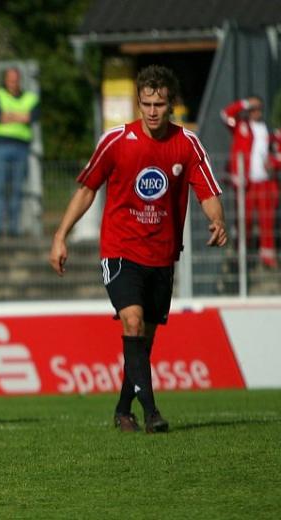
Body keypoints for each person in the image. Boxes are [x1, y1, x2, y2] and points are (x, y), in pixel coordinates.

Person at [48, 65, 227, 434]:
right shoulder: (116, 141)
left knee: (143, 339)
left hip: (162, 255)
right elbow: (86, 189)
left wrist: (217, 220)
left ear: (170, 104)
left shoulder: (187, 144)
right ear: (138, 102)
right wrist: (61, 234)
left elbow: (207, 190)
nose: (152, 111)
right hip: (120, 250)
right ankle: (152, 413)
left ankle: (122, 409)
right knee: (131, 320)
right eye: (145, 103)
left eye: (159, 104)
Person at [221, 96, 280, 268]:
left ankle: (267, 257)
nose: (255, 111)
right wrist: (245, 103)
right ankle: (241, 256)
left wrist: (273, 164)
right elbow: (225, 114)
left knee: (266, 221)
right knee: (243, 219)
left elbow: (277, 155)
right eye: (252, 108)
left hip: (265, 182)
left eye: (258, 108)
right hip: (245, 182)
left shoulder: (268, 132)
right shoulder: (240, 126)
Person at [0, 67, 39, 236]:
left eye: (15, 79)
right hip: (0, 146)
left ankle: (13, 228)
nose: (13, 82)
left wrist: (9, 116)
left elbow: (31, 117)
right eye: (10, 79)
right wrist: (20, 116)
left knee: (17, 189)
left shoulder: (30, 98)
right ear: (5, 80)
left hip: (21, 147)